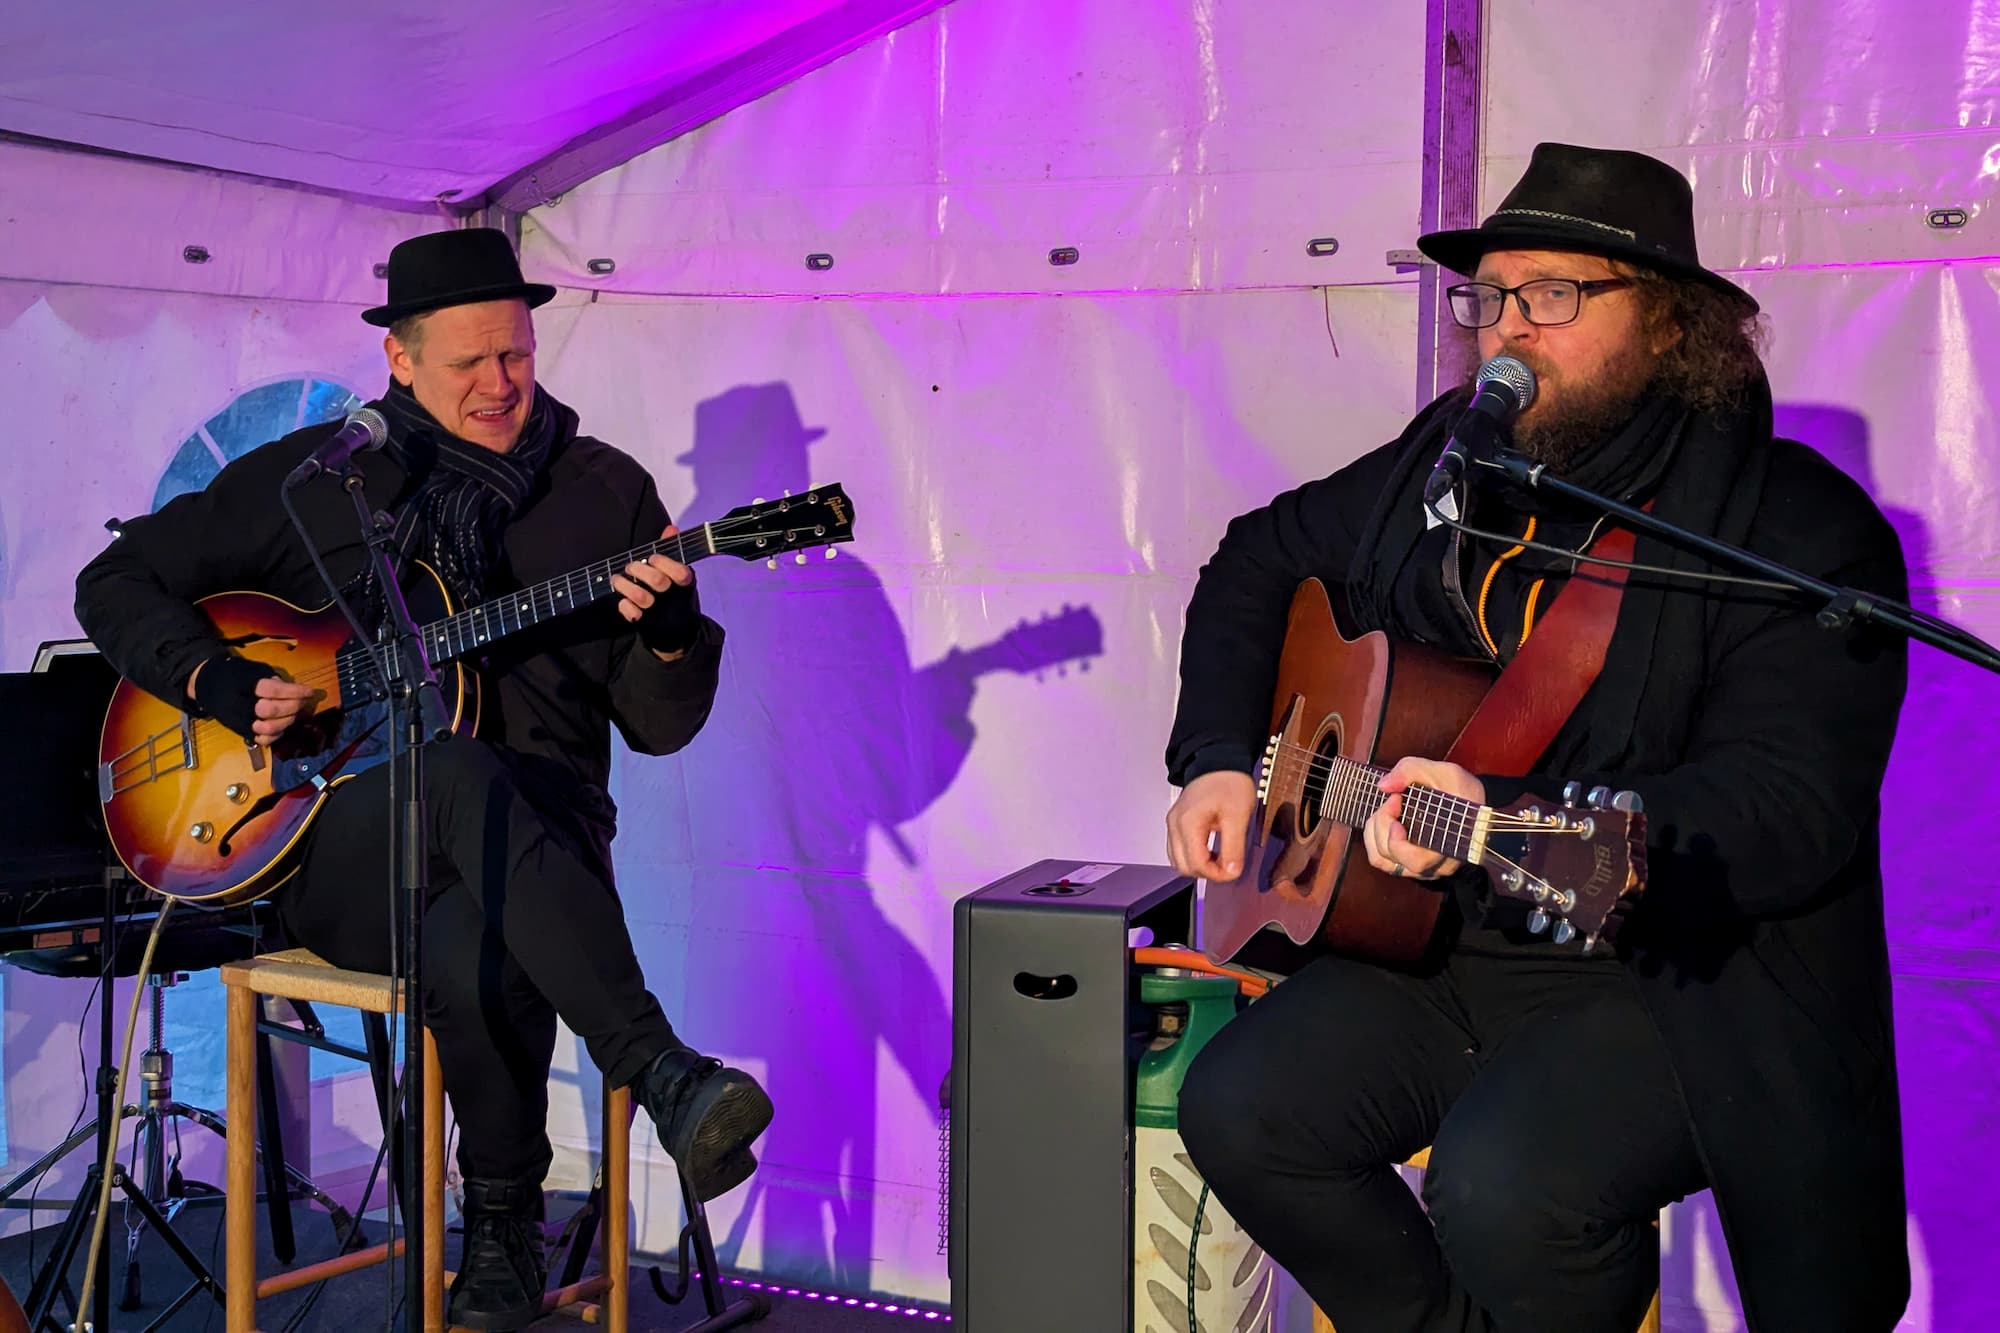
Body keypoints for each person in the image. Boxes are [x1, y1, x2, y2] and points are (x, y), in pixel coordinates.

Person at [1163, 144, 1910, 1332]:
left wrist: (1497, 815)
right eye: (1488, 296)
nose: (1506, 327)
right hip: (1445, 946)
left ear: (1670, 324)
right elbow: (1256, 557)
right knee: (1243, 1107)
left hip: (1670, 979)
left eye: (1551, 294)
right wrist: (1213, 753)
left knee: (1506, 1186)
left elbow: (1785, 813)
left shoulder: (1797, 530)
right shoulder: (1444, 467)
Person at [74, 227, 772, 1332]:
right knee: (446, 769)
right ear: (398, 361)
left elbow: (654, 731)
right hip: (334, 846)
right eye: (468, 364)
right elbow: (113, 579)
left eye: (517, 357)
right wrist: (210, 675)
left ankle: (498, 1235)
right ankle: (661, 1070)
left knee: (476, 930)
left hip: (541, 835)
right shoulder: (319, 483)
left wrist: (673, 640)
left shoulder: (605, 494)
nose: (500, 385)